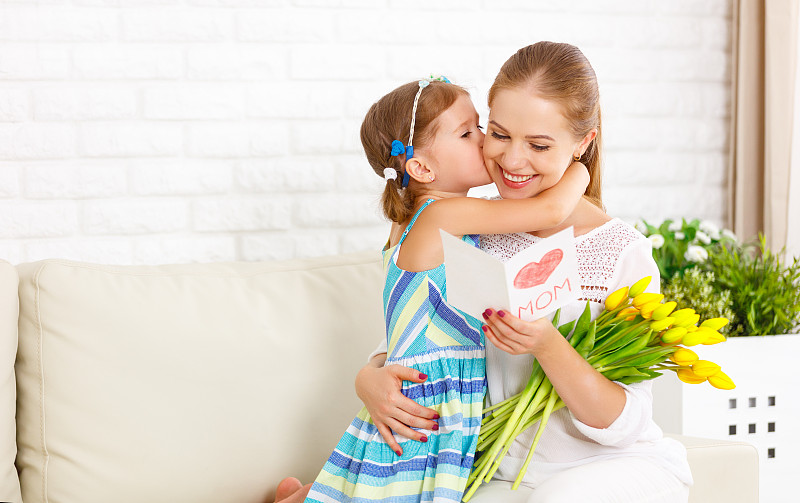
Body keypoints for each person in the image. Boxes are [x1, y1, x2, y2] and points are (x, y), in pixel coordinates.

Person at [352, 43, 693, 503]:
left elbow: (625, 422)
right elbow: (409, 336)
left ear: (583, 143)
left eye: (538, 145)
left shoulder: (621, 252)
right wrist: (370, 379)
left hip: (611, 466)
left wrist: (549, 346)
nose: (512, 161)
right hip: (503, 470)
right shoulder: (470, 228)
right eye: (496, 133)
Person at [300, 75, 590, 503]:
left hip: (420, 392)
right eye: (468, 133)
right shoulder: (441, 217)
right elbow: (552, 208)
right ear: (421, 168)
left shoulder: (407, 220)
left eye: (482, 127)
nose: (484, 142)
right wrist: (580, 163)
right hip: (426, 404)